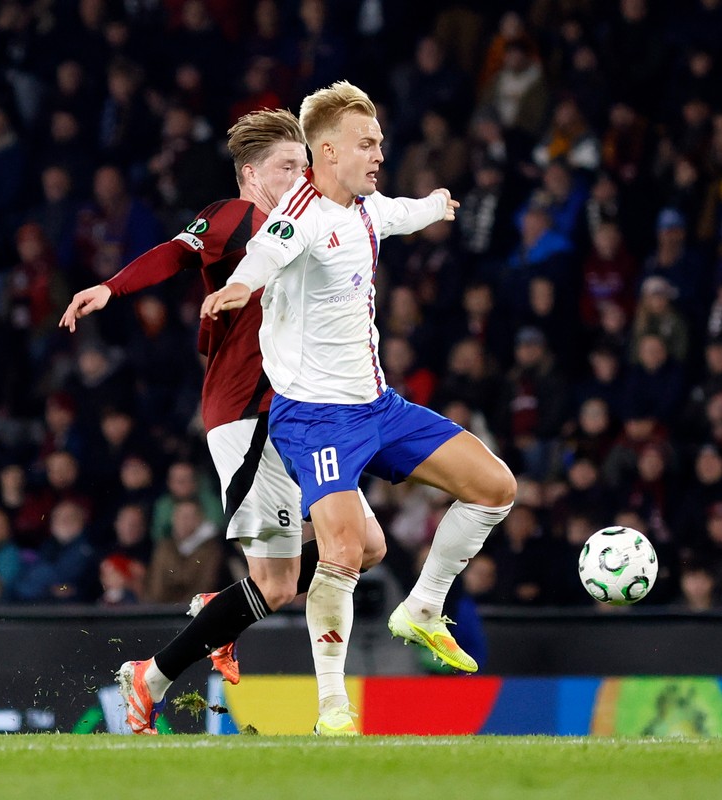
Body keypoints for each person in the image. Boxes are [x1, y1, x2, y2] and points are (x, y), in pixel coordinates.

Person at [202, 81, 516, 736]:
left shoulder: (364, 207)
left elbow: (395, 212)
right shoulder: (304, 211)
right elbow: (269, 249)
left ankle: (424, 607)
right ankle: (332, 710)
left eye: (379, 141)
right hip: (315, 418)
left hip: (379, 406)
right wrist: (237, 286)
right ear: (327, 151)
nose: (378, 152)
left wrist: (433, 205)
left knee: (495, 486)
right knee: (344, 552)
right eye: (366, 143)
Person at [59, 109, 386, 735]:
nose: (298, 177)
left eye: (303, 166)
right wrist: (112, 288)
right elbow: (174, 254)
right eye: (286, 167)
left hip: (300, 415)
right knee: (280, 583)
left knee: (367, 547)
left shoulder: (306, 224)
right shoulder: (239, 218)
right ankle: (150, 675)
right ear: (250, 174)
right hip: (249, 413)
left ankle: (222, 612)